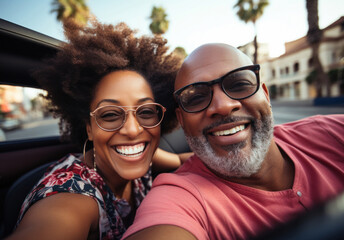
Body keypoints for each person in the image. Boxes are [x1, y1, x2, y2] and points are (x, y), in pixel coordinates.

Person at [122, 43, 344, 240]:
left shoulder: (332, 132)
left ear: (265, 95)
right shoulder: (178, 198)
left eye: (238, 84)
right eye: (196, 97)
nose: (223, 106)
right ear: (181, 120)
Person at [7, 20, 191, 240]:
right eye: (110, 115)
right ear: (89, 128)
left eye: (146, 112)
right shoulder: (71, 193)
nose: (133, 130)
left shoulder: (143, 155)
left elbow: (181, 161)